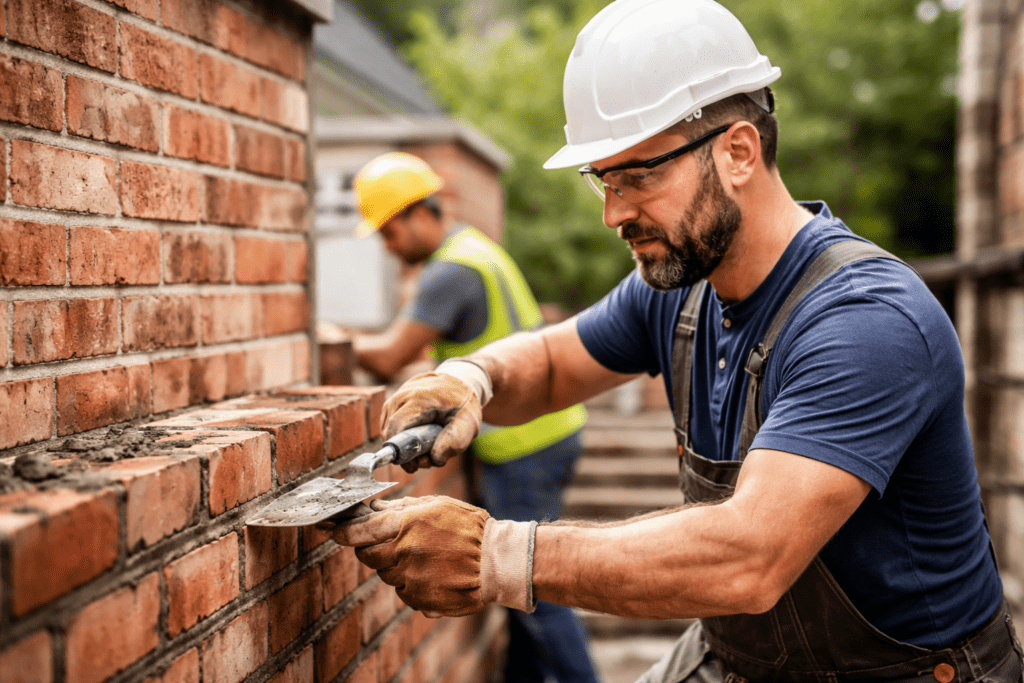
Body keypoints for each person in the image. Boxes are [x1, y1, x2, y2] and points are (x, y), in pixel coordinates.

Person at [334, 1, 1024, 682]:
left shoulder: (866, 321)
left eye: (638, 176)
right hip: (740, 656)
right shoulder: (680, 286)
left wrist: (501, 556)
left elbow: (748, 557)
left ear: (738, 152)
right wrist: (469, 378)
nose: (612, 213)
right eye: (601, 180)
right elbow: (547, 364)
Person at [346, 151, 600, 683]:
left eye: (389, 233)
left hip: (523, 445)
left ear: (419, 213)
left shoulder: (450, 271)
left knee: (536, 583)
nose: (390, 250)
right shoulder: (475, 249)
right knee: (526, 593)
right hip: (548, 431)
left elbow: (390, 356)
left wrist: (339, 339)